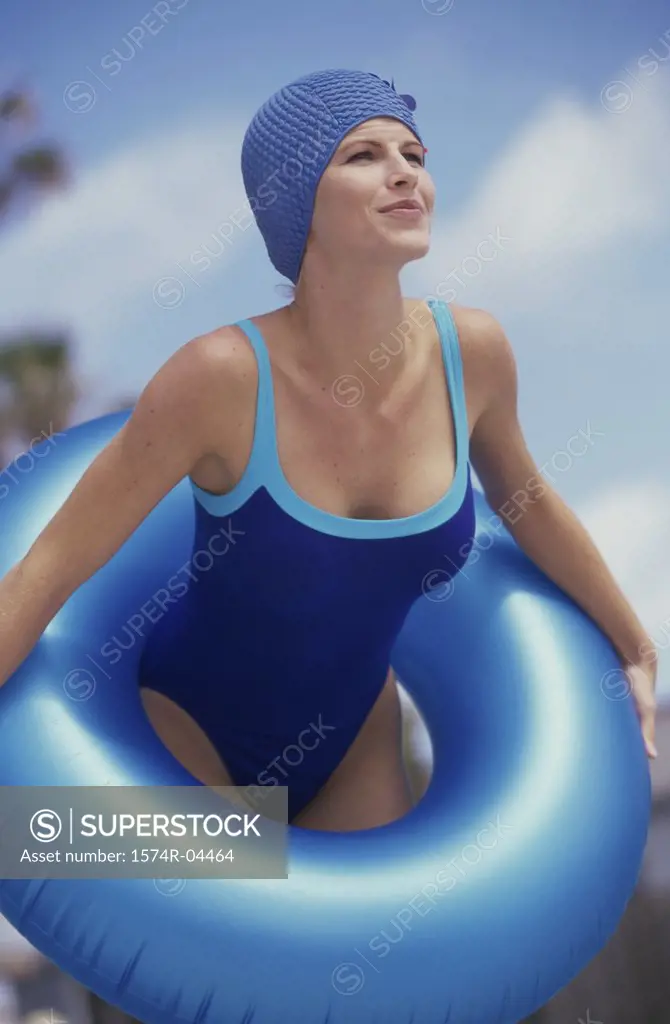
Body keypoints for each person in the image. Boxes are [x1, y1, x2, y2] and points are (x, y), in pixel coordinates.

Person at [0, 69, 658, 835]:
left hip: (354, 750)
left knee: (401, 953)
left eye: (414, 153)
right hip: (184, 735)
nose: (405, 170)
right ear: (297, 200)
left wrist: (636, 644)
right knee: (168, 903)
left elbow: (531, 505)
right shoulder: (219, 379)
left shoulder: (472, 354)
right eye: (363, 156)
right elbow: (45, 574)